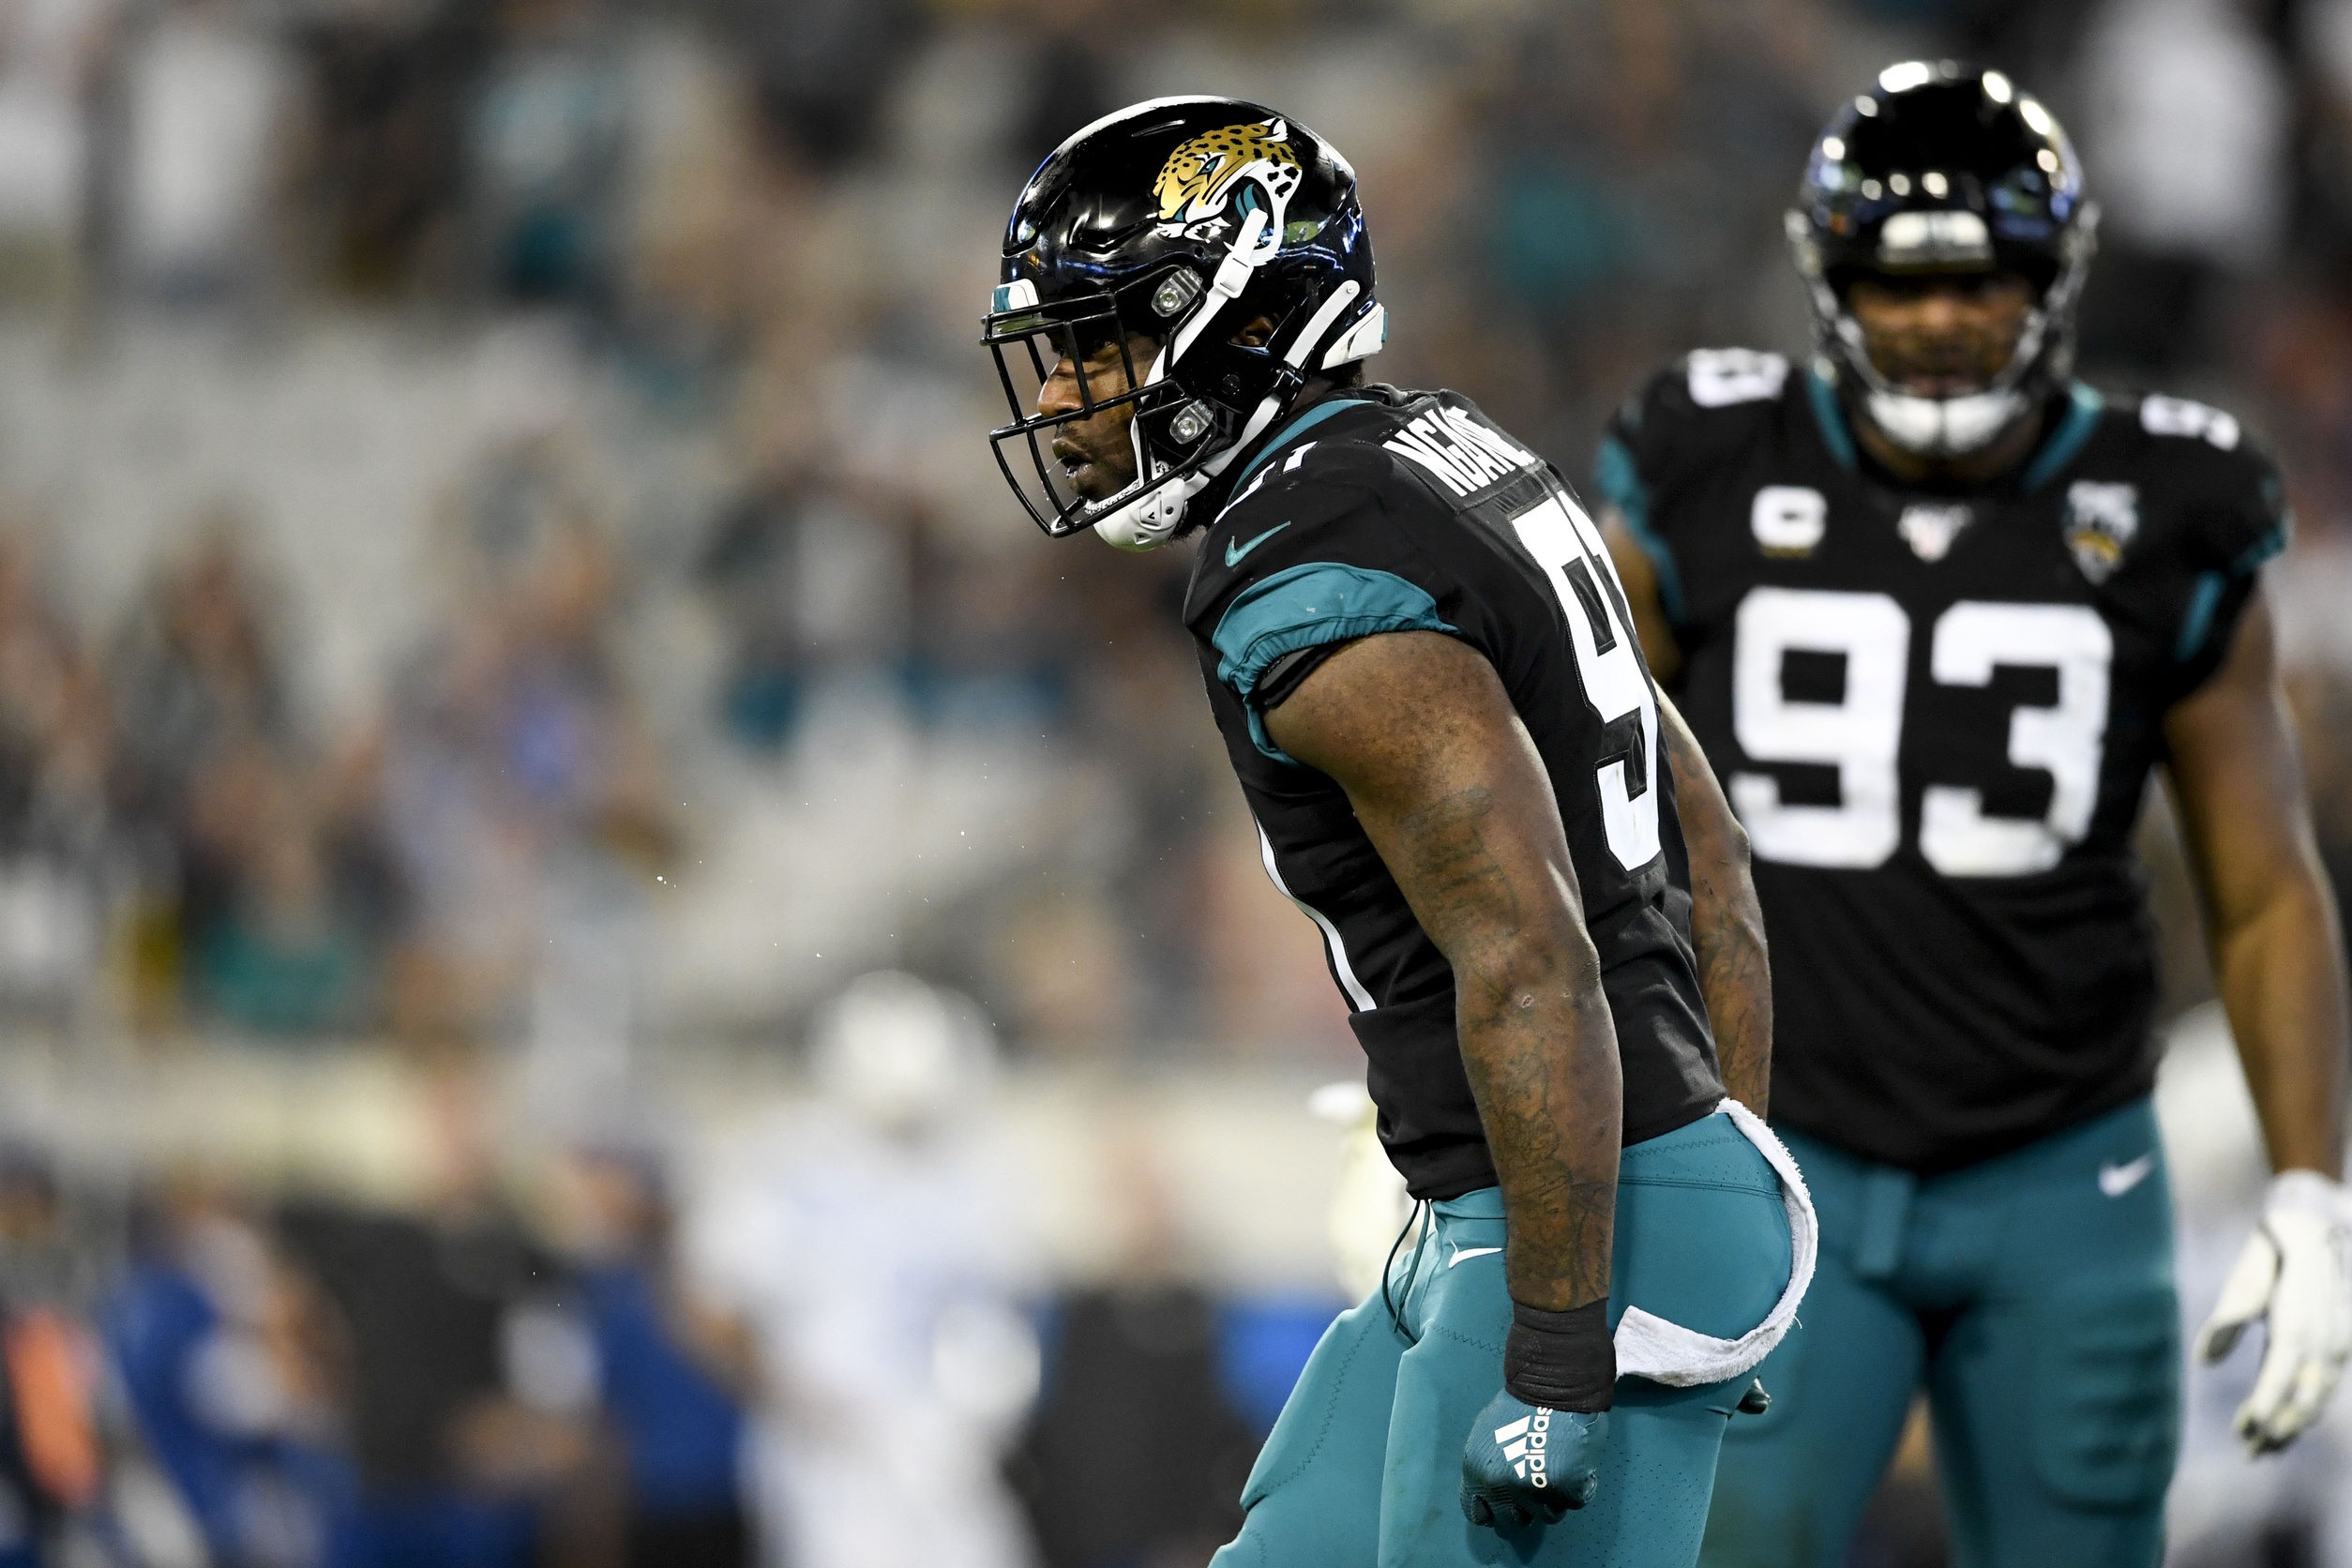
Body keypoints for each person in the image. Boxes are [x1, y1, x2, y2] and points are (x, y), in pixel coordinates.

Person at [979, 96, 1812, 1567]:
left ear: (1231, 322)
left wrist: (1568, 1349)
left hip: (1565, 1228)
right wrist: (1726, 1177)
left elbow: (1531, 959)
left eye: (1093, 348)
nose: (1060, 403)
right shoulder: (1445, 450)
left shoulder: (1312, 575)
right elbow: (1714, 871)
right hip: (1526, 1209)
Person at [1591, 61, 2352, 1568]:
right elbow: (1571, 790)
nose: (1939, 322)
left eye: (1985, 284)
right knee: (1717, 1552)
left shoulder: (2166, 498)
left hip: (2063, 1167)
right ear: (1830, 284)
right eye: (1896, 282)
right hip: (1776, 1147)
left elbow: (2264, 879)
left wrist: (2311, 1185)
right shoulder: (1712, 460)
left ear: (2055, 285)